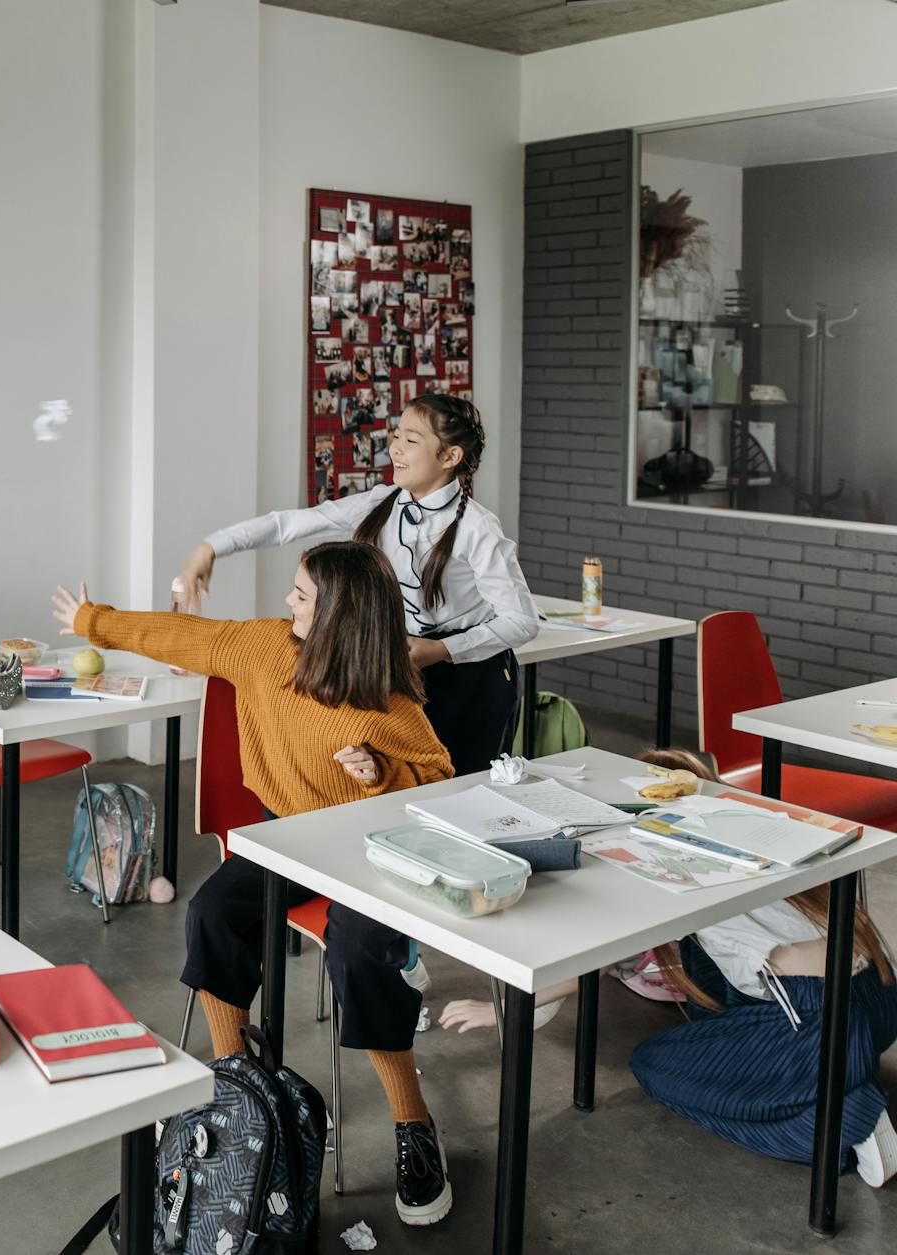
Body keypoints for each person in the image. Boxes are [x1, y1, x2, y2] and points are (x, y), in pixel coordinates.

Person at [52, 541, 458, 1227]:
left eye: (302, 595)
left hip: (368, 851)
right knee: (212, 911)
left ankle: (412, 1122)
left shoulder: (387, 701)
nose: (287, 601)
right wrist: (93, 621)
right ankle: (238, 1086)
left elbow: (439, 782)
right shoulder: (264, 648)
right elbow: (181, 636)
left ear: (342, 614)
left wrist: (383, 775)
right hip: (287, 838)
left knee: (359, 950)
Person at [440, 749, 897, 1187]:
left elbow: (592, 967)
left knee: (656, 1066)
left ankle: (846, 1115)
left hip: (819, 1021)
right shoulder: (758, 837)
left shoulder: (671, 865)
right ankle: (835, 1076)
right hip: (880, 998)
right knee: (703, 986)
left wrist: (499, 1009)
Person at [178, 393, 535, 780]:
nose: (395, 448)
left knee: (459, 788)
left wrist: (442, 650)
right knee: (393, 785)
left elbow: (522, 621)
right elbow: (290, 524)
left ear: (450, 456)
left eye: (411, 440)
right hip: (399, 665)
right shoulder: (382, 502)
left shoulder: (478, 528)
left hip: (470, 677)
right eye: (396, 435)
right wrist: (212, 547)